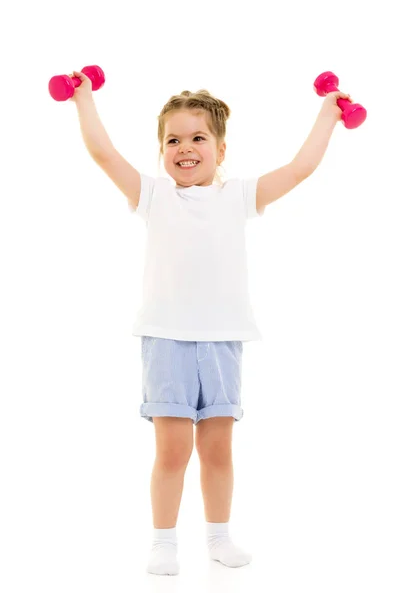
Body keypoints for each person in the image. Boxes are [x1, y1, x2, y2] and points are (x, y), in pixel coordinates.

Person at [69, 71, 352, 576]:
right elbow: (104, 154)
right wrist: (83, 98)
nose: (184, 148)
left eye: (198, 138)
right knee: (172, 449)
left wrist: (329, 111)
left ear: (220, 151)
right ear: (161, 150)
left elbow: (301, 168)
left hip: (223, 340)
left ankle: (219, 538)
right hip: (167, 339)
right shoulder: (154, 196)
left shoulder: (239, 197)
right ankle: (163, 542)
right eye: (172, 139)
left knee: (218, 448)